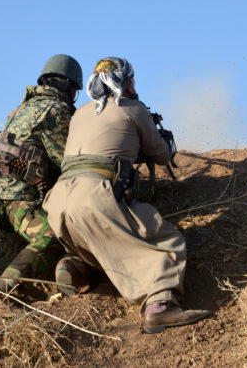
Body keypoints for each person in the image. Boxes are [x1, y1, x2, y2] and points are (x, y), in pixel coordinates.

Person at [42, 57, 209, 333]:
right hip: (96, 195)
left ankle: (73, 266)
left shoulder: (80, 113)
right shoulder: (133, 108)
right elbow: (161, 154)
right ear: (126, 82)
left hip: (58, 201)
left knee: (100, 241)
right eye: (131, 80)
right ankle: (160, 305)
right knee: (166, 241)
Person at [0, 54, 83, 308]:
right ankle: (6, 291)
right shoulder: (56, 110)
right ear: (70, 88)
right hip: (17, 198)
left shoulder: (21, 107)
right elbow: (65, 162)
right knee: (54, 235)